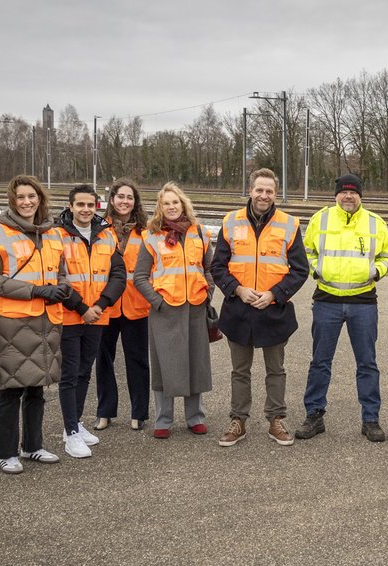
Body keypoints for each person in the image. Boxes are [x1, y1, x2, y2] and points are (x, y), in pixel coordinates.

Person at [0, 174, 80, 473]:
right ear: (13, 201)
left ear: (40, 199)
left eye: (31, 196)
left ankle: (33, 446)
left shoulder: (52, 234)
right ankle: (5, 452)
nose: (27, 202)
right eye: (21, 197)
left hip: (46, 320)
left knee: (37, 386)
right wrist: (35, 291)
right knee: (11, 388)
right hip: (13, 321)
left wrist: (62, 287)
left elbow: (61, 272)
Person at [210, 168, 308, 447]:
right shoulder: (230, 222)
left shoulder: (289, 224)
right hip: (238, 310)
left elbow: (300, 270)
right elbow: (217, 267)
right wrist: (238, 290)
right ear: (250, 190)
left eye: (269, 191)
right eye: (259, 190)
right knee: (240, 371)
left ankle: (276, 419)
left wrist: (275, 294)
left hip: (273, 310)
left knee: (276, 370)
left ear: (275, 194)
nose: (264, 195)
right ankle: (238, 420)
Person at [296, 173, 388, 442]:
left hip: (363, 302)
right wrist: (317, 270)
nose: (348, 196)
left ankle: (371, 419)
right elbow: (306, 252)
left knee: (367, 363)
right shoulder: (320, 219)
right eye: (343, 192)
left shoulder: (375, 223)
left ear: (360, 195)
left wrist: (375, 272)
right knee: (320, 362)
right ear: (336, 195)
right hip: (326, 300)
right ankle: (314, 415)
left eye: (353, 192)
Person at [133, 182, 214, 439]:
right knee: (164, 366)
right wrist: (157, 302)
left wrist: (208, 293)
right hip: (165, 311)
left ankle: (195, 417)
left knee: (195, 363)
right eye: (166, 203)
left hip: (195, 308)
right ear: (160, 207)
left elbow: (210, 268)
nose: (171, 207)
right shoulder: (152, 236)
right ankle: (163, 420)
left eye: (175, 202)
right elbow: (140, 277)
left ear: (183, 204)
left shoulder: (199, 233)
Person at [52, 184, 125, 458]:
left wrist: (101, 305)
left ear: (97, 207)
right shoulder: (56, 235)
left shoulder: (107, 234)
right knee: (70, 373)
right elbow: (55, 276)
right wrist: (82, 307)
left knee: (84, 371)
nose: (85, 209)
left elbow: (118, 274)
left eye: (90, 205)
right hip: (70, 315)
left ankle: (76, 423)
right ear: (70, 206)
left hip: (97, 315)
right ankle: (70, 432)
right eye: (80, 204)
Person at [94, 178, 152, 431]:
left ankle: (139, 413)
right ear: (112, 199)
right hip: (106, 303)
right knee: (103, 359)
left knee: (137, 360)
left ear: (135, 201)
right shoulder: (99, 228)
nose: (124, 201)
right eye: (120, 196)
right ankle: (105, 411)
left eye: (129, 197)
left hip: (136, 303)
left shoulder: (146, 231)